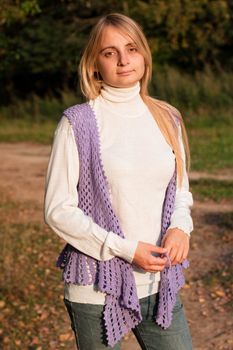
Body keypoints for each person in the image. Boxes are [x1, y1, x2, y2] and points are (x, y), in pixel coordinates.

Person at [44, 13, 194, 350]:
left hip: (159, 286)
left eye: (131, 48)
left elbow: (180, 190)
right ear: (94, 64)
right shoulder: (77, 123)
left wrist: (181, 227)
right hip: (97, 288)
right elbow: (58, 211)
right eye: (110, 52)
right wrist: (127, 250)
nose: (124, 60)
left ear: (144, 55)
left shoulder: (167, 117)